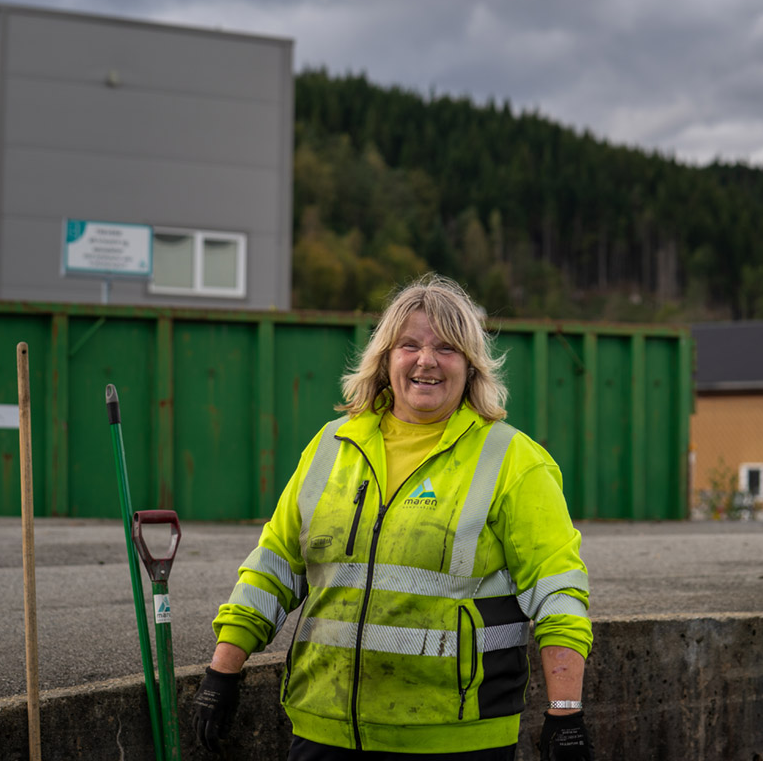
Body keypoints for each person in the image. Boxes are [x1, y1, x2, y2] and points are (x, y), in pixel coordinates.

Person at [191, 273, 594, 760]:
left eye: (447, 348)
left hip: (455, 740)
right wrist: (223, 670)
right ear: (385, 358)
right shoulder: (331, 447)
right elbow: (273, 567)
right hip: (325, 731)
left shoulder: (512, 460)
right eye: (410, 345)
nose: (427, 360)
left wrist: (565, 712)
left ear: (471, 366)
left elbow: (558, 593)